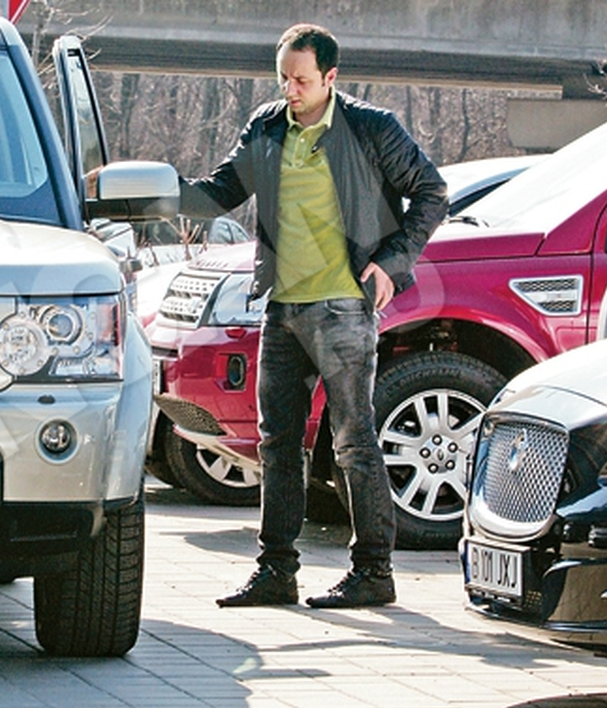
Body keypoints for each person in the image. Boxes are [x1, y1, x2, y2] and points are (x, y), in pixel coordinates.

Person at [180, 23, 448, 608]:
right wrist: (151, 191)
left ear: (330, 76)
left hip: (344, 307)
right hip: (282, 308)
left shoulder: (371, 128)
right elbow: (218, 193)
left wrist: (391, 263)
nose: (290, 90)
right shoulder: (268, 126)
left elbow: (432, 192)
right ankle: (276, 572)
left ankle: (373, 572)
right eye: (283, 78)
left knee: (353, 441)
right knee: (277, 444)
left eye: (301, 80)